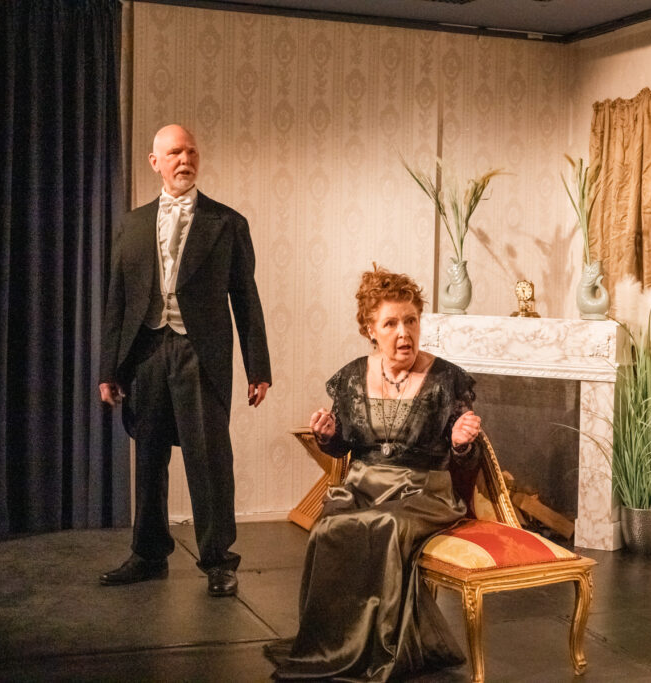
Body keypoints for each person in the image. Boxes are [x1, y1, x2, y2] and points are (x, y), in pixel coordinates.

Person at [264, 266, 482, 681]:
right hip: (363, 485)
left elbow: (467, 464)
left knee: (385, 525)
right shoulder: (351, 377)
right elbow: (344, 446)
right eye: (391, 323)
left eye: (411, 321)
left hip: (424, 492)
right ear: (371, 330)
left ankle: (379, 647)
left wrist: (460, 443)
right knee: (328, 526)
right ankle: (335, 644)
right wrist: (328, 436)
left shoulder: (447, 379)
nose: (404, 333)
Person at [98, 124, 272, 597]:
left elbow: (246, 299)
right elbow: (117, 301)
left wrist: (258, 368)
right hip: (147, 352)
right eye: (175, 152)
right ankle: (148, 553)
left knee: (209, 459)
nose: (185, 160)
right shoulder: (132, 224)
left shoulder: (227, 223)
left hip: (201, 353)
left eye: (191, 152)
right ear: (155, 162)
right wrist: (109, 369)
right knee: (149, 456)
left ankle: (218, 559)